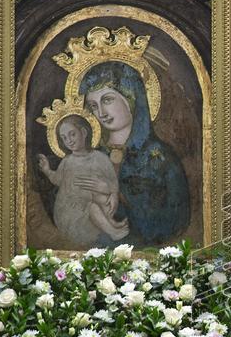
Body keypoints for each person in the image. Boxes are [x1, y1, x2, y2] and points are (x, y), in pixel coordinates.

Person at [78, 61, 190, 246]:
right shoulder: (92, 155)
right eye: (93, 105)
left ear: (131, 97)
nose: (101, 113)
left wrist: (117, 192)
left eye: (107, 100)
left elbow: (177, 218)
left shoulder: (160, 157)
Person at [37, 114, 129, 246]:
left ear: (84, 132)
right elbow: (57, 180)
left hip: (92, 201)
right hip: (70, 210)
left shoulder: (100, 158)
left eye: (72, 134)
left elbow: (112, 181)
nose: (69, 140)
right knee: (91, 205)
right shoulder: (67, 162)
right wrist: (47, 170)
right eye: (64, 138)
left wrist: (113, 193)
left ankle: (112, 223)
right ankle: (112, 231)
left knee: (102, 199)